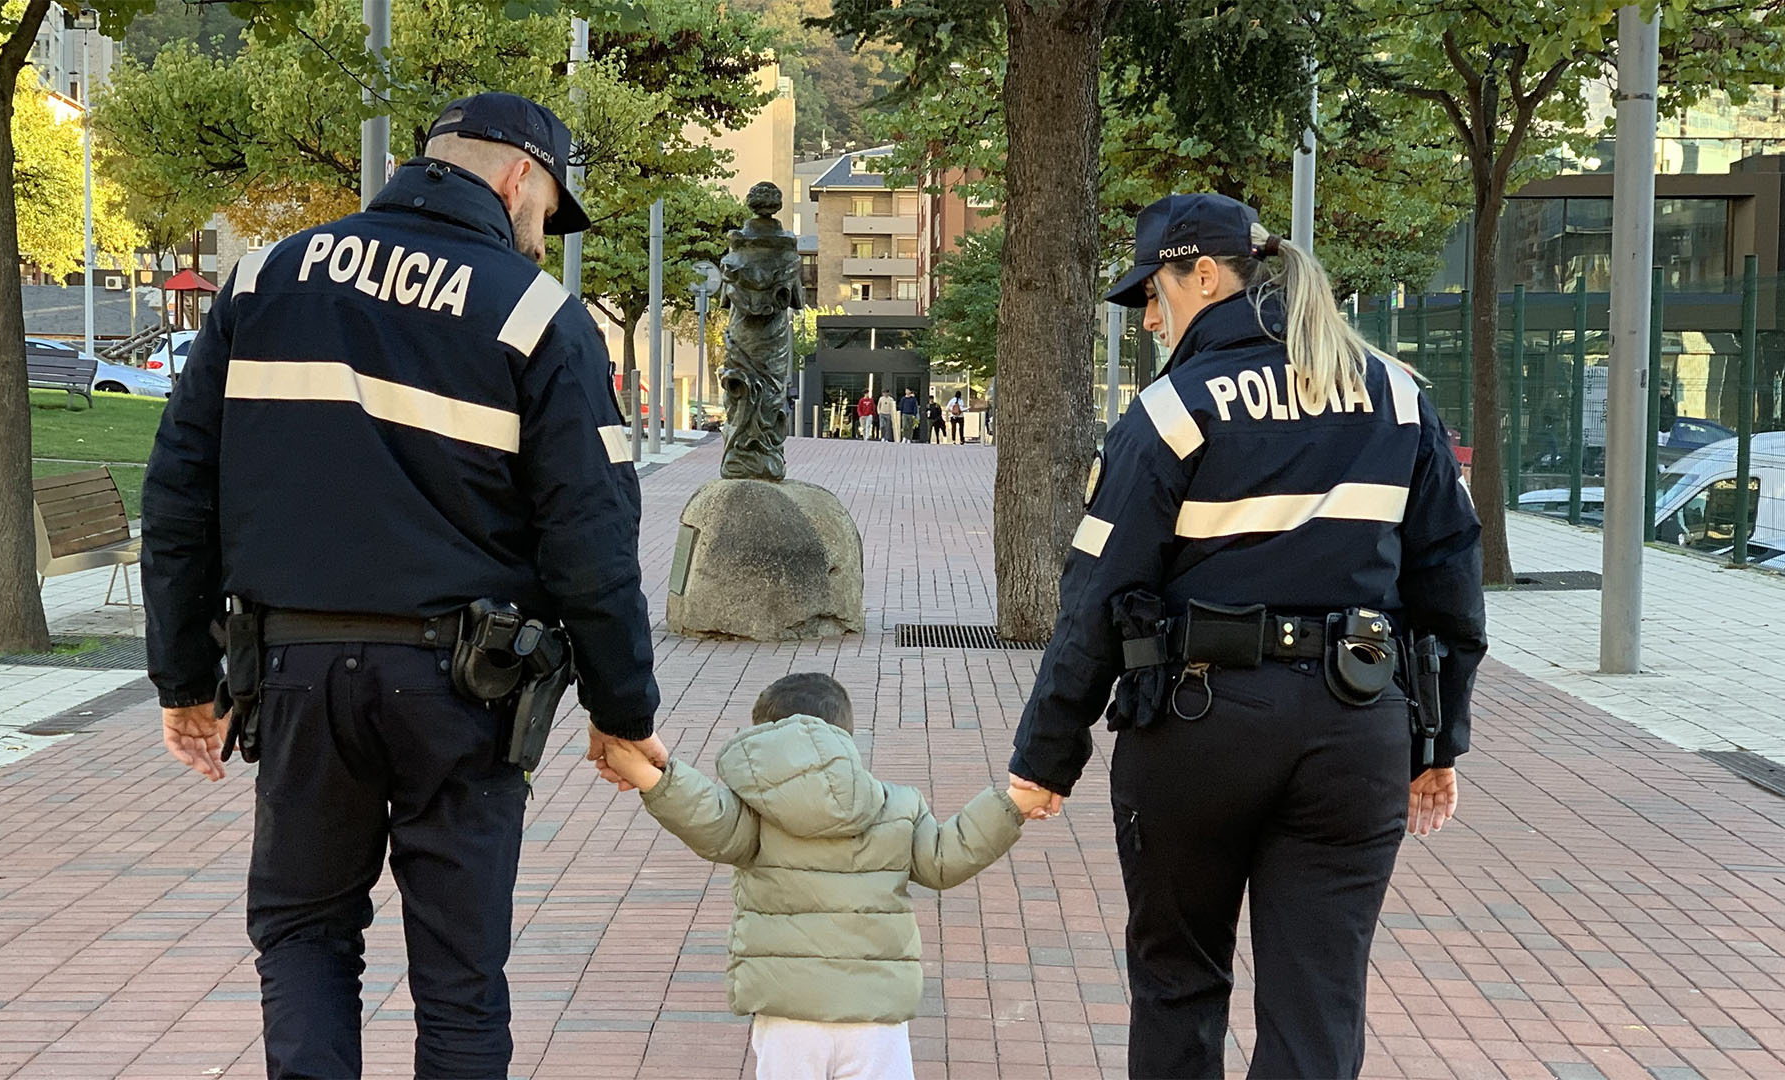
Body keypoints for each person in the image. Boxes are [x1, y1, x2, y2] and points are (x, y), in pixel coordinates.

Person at [142, 92, 667, 1080]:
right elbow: (592, 537)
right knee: (461, 979)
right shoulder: (532, 311)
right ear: (519, 175)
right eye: (549, 211)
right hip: (464, 691)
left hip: (292, 674)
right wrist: (621, 708)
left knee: (302, 938)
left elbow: (178, 493)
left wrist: (182, 679)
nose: (545, 237)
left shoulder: (265, 279)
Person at [1006, 193, 1485, 1080]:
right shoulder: (1399, 395)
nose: (1151, 318)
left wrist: (1046, 757)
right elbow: (1449, 583)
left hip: (1197, 727)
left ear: (1204, 273)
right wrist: (1437, 742)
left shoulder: (1171, 411)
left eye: (1153, 292)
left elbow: (1097, 596)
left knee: (1179, 984)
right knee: (1320, 997)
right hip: (1355, 727)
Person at [601, 673, 1050, 1080]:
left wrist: (648, 774)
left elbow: (707, 817)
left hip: (788, 1012)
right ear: (846, 737)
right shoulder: (896, 806)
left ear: (764, 738)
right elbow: (945, 856)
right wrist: (1010, 802)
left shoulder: (755, 812)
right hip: (875, 1016)